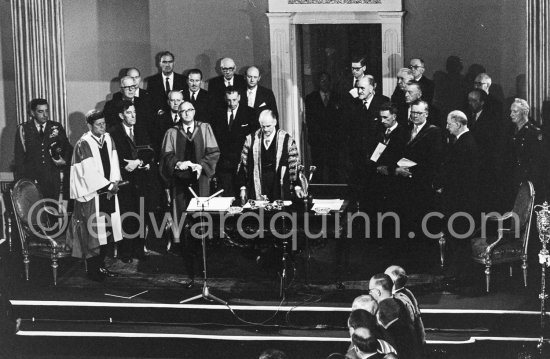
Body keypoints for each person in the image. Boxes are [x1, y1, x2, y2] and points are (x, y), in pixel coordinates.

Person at [160, 101, 220, 287]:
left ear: (194, 111)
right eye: (182, 111)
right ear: (178, 114)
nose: (186, 114)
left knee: (201, 223)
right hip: (180, 184)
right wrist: (179, 164)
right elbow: (166, 156)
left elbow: (214, 152)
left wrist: (200, 165)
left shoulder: (205, 128)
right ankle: (189, 271)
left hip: (200, 181)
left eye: (189, 110)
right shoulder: (172, 132)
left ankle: (204, 270)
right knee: (184, 226)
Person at [68, 110, 122, 282]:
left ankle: (101, 266)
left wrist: (114, 183)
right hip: (92, 195)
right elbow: (87, 172)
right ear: (89, 125)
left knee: (106, 230)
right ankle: (92, 270)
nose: (102, 127)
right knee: (93, 233)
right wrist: (107, 185)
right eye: (98, 125)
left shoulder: (108, 138)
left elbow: (114, 163)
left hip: (108, 193)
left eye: (104, 123)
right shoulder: (83, 143)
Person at [109, 100, 155, 263]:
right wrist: (125, 165)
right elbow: (111, 157)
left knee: (142, 214)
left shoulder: (142, 129)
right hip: (125, 182)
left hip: (142, 180)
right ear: (121, 115)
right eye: (129, 113)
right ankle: (126, 252)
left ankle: (139, 250)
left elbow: (150, 151)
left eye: (134, 112)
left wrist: (139, 162)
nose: (133, 115)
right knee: (127, 216)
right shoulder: (113, 133)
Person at [394, 100, 444, 235]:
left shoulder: (434, 132)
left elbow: (434, 160)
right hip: (404, 184)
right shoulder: (405, 130)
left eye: (418, 113)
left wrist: (412, 171)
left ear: (426, 114)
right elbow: (397, 152)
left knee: (421, 222)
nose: (415, 115)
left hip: (422, 183)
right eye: (413, 112)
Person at [14, 98, 72, 201]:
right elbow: (19, 157)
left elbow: (67, 148)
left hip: (52, 178)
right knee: (34, 212)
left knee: (52, 210)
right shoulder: (24, 129)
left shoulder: (56, 127)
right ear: (32, 113)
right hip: (31, 179)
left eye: (46, 111)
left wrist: (64, 160)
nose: (45, 114)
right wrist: (22, 182)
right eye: (40, 111)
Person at [238, 109, 300, 201]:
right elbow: (243, 164)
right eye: (263, 126)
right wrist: (243, 187)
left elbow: (294, 166)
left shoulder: (287, 140)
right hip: (257, 187)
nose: (265, 129)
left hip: (278, 186)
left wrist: (297, 187)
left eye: (268, 126)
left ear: (275, 122)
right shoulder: (251, 139)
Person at [211, 86, 256, 197]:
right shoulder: (217, 113)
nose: (232, 103)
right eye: (229, 100)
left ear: (239, 97)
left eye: (234, 100)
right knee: (226, 197)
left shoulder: (250, 113)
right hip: (224, 164)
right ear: (225, 99)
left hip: (242, 162)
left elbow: (254, 138)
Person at [466, 89, 503, 211]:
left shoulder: (491, 120)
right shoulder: (467, 116)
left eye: (474, 101)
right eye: (469, 100)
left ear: (482, 102)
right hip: (471, 166)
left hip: (485, 167)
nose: (470, 103)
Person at [503, 98, 544, 206]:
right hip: (512, 181)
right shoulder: (510, 131)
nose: (511, 114)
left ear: (524, 112)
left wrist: (529, 185)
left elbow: (536, 163)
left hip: (525, 183)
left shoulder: (533, 133)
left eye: (515, 111)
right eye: (511, 111)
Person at [369, 274, 420, 359]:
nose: (369, 293)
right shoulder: (400, 303)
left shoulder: (382, 311)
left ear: (377, 292)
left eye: (370, 290)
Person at [305, 71, 343, 183]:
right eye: (322, 80)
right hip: (318, 140)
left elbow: (340, 120)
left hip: (334, 141)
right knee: (318, 168)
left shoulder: (337, 97)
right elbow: (310, 120)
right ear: (318, 82)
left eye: (327, 80)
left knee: (334, 168)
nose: (324, 83)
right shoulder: (311, 98)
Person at [384, 265, 426, 350]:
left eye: (385, 278)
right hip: (415, 335)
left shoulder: (395, 299)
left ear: (392, 281)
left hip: (404, 340)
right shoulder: (408, 292)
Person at [154, 90, 184, 158]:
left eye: (178, 100)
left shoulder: (187, 119)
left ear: (182, 102)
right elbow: (156, 142)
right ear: (168, 102)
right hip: (165, 157)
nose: (175, 103)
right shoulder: (160, 119)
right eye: (172, 100)